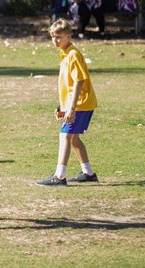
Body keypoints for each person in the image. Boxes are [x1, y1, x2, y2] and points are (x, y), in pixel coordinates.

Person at [37, 19, 99, 186]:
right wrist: (63, 106)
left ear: (69, 36)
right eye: (53, 37)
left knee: (65, 135)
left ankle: (60, 176)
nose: (55, 40)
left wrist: (71, 109)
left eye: (59, 37)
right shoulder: (65, 54)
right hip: (74, 104)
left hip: (80, 103)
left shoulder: (73, 54)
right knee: (73, 139)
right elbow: (68, 84)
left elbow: (79, 82)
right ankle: (88, 173)